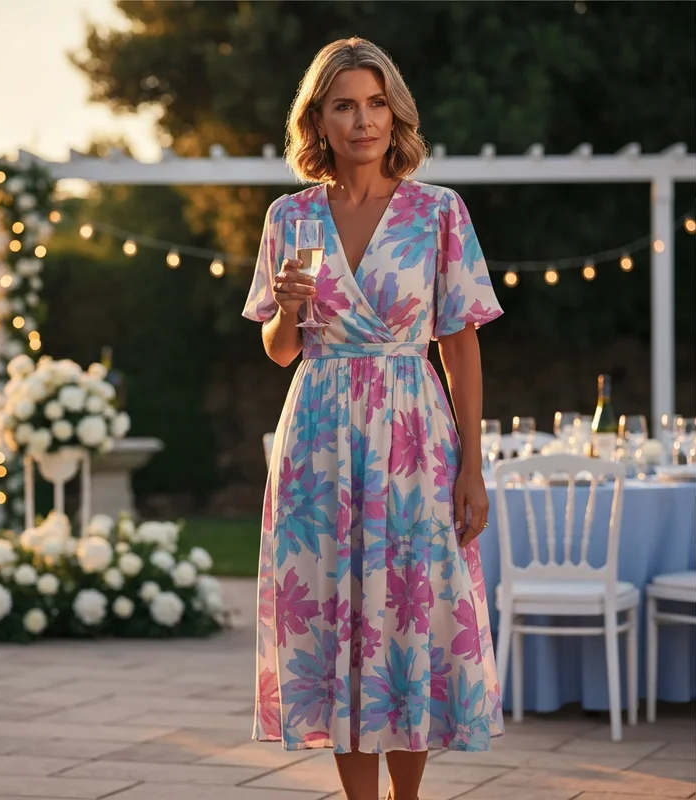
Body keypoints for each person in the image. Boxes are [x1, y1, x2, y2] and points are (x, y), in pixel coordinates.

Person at [242, 37, 505, 800]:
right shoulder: (290, 217)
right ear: (317, 121)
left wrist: (473, 466)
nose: (362, 121)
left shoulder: (438, 212)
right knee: (333, 622)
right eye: (344, 106)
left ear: (395, 114)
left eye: (376, 103)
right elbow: (280, 350)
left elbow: (460, 346)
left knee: (408, 620)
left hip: (414, 434)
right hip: (317, 438)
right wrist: (286, 308)